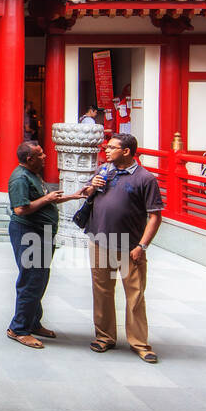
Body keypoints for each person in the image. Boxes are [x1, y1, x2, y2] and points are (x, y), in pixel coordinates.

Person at [81, 133, 164, 363]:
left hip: (130, 246)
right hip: (99, 241)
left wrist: (142, 246)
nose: (106, 151)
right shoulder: (103, 171)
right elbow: (85, 194)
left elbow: (155, 216)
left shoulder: (145, 178)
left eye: (111, 148)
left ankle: (139, 342)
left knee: (135, 294)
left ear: (126, 151)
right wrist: (91, 187)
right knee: (102, 291)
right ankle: (104, 336)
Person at [5, 141, 75, 349]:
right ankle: (18, 328)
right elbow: (20, 209)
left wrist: (75, 195)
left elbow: (46, 198)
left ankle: (33, 321)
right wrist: (47, 200)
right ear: (30, 159)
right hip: (29, 233)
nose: (45, 156)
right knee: (31, 279)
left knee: (40, 277)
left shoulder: (34, 174)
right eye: (41, 154)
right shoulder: (20, 178)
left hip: (42, 233)